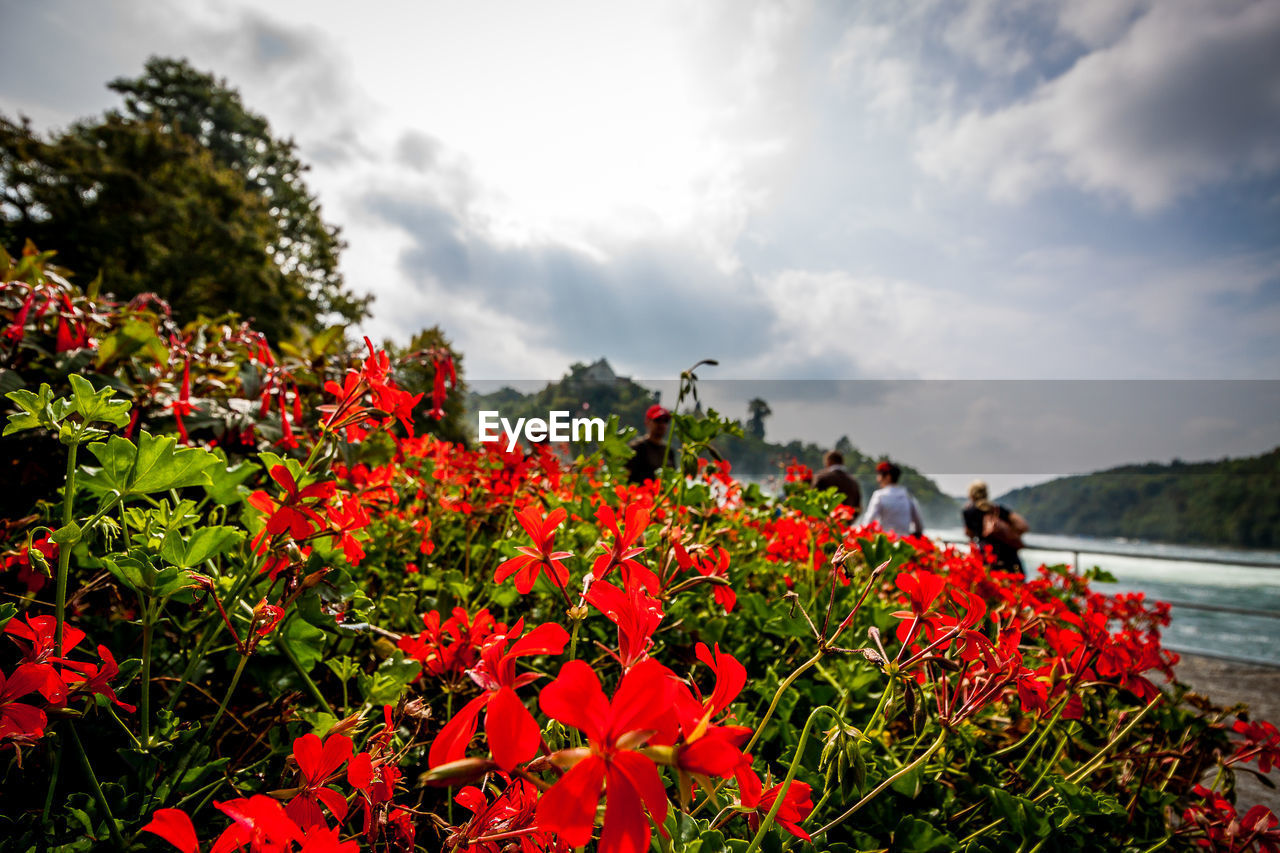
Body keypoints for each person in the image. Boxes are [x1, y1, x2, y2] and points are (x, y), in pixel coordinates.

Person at [962, 480, 1028, 576]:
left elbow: (969, 533)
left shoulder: (968, 512)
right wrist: (1008, 533)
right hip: (1008, 555)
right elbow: (1023, 526)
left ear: (971, 495)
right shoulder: (998, 509)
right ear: (986, 493)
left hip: (986, 555)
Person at [859, 460, 923, 536]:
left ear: (888, 477)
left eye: (879, 475)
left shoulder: (879, 495)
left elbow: (868, 522)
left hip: (885, 543)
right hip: (904, 543)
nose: (878, 479)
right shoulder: (908, 497)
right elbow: (919, 526)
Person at [625, 404, 673, 484]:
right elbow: (624, 476)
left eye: (665, 421)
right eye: (657, 420)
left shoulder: (669, 451)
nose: (661, 424)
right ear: (647, 422)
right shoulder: (635, 448)